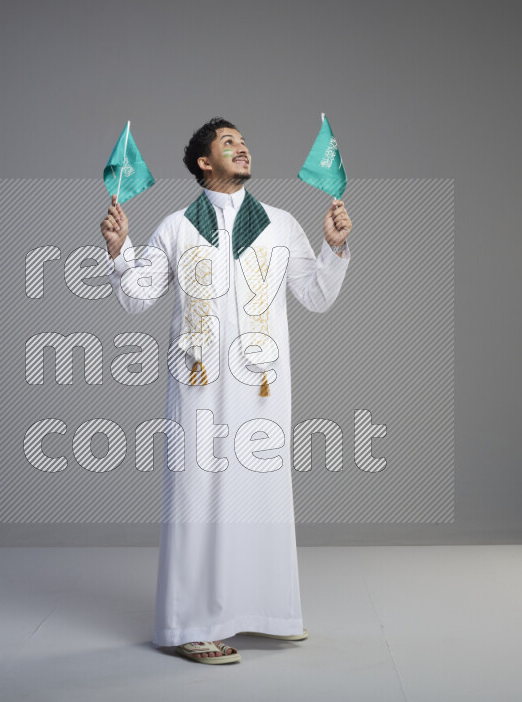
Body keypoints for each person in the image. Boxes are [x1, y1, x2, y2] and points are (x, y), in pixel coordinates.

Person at [100, 117, 353, 664]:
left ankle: (263, 611)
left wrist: (333, 248)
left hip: (262, 389)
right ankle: (190, 625)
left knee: (261, 497)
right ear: (203, 162)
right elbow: (138, 297)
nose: (242, 148)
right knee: (198, 499)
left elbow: (315, 295)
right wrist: (121, 251)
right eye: (228, 142)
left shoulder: (280, 225)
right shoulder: (175, 227)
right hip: (198, 389)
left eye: (243, 141)